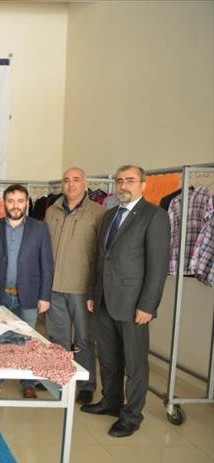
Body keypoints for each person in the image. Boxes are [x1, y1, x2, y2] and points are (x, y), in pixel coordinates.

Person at [82, 165, 170, 438]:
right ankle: (111, 402)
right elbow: (100, 260)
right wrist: (93, 294)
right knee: (108, 358)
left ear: (143, 184)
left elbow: (158, 266)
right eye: (120, 181)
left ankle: (131, 416)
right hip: (104, 300)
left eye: (130, 180)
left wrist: (148, 305)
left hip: (133, 305)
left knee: (134, 364)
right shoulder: (109, 215)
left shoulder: (154, 216)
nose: (123, 186)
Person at [44, 167, 105, 405]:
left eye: (76, 180)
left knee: (84, 339)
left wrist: (94, 289)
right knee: (57, 336)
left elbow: (101, 254)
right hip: (54, 287)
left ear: (85, 184)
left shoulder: (98, 213)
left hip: (82, 288)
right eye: (67, 180)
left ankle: (87, 384)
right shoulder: (52, 210)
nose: (71, 184)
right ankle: (60, 378)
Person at [0, 184, 54, 399]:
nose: (15, 205)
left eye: (20, 201)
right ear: (4, 203)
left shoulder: (39, 228)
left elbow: (47, 264)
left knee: (27, 341)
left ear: (27, 203)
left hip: (30, 294)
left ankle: (27, 382)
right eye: (11, 201)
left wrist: (45, 295)